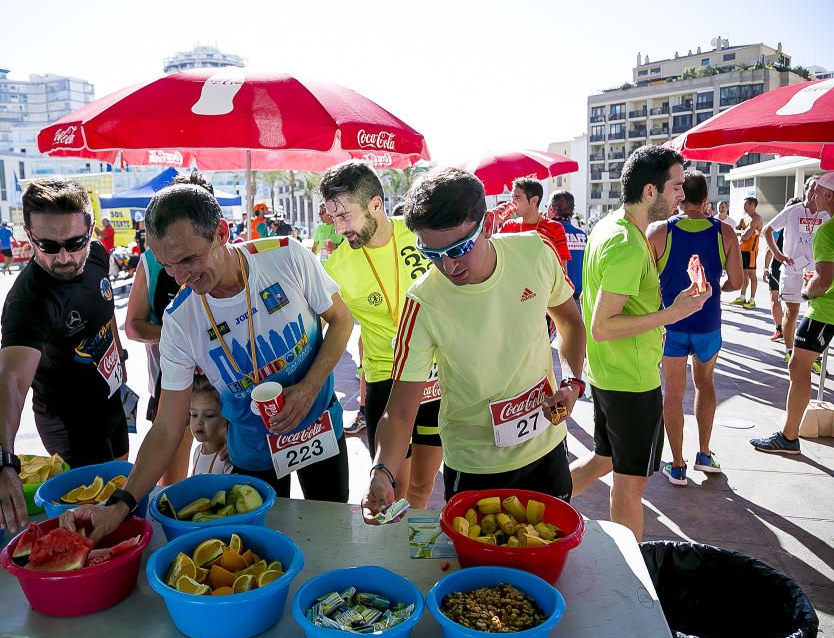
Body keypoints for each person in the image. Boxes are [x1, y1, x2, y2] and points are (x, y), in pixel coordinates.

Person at [61, 183, 355, 543]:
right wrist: (121, 503)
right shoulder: (180, 321)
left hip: (318, 424)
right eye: (167, 266)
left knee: (332, 532)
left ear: (221, 232)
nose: (181, 277)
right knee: (265, 543)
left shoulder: (285, 257)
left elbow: (342, 321)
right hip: (252, 445)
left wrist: (309, 389)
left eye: (188, 259)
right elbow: (167, 428)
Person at [360, 167, 586, 522]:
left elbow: (570, 321)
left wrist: (573, 382)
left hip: (546, 448)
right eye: (432, 255)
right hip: (475, 464)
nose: (449, 266)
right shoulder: (422, 301)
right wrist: (381, 473)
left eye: (460, 248)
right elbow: (401, 410)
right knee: (482, 575)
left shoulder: (536, 252)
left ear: (488, 225)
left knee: (551, 565)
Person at [569, 145, 710, 540]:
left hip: (610, 374)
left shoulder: (611, 226)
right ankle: (630, 574)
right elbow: (601, 325)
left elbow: (598, 308)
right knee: (630, 485)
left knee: (602, 460)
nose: (683, 194)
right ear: (651, 192)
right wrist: (673, 312)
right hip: (630, 382)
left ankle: (537, 503)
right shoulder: (628, 243)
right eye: (677, 187)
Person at [0, 178, 130, 532]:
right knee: (95, 524)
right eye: (48, 245)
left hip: (112, 403)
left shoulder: (96, 256)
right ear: (29, 237)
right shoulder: (29, 301)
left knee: (122, 493)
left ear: (90, 230)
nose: (63, 257)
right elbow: (10, 380)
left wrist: (118, 352)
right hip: (71, 424)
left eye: (74, 242)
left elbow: (103, 307)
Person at [320, 160, 442, 509]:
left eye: (344, 215)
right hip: (385, 378)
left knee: (422, 485)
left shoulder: (422, 235)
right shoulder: (336, 267)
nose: (338, 226)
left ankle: (411, 561)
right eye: (332, 216)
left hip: (436, 376)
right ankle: (391, 558)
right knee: (391, 491)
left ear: (376, 204)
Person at [646, 171, 743, 486]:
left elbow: (644, 283)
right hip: (707, 323)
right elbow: (738, 283)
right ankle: (704, 453)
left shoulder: (659, 232)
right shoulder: (725, 232)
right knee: (705, 385)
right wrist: (713, 287)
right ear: (705, 200)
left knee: (673, 394)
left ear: (678, 197)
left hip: (670, 324)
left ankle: (677, 464)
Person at [751, 172, 834, 456]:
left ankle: (788, 437)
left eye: (818, 191)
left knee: (797, 367)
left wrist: (808, 291)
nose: (814, 195)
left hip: (826, 311)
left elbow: (824, 280)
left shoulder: (829, 229)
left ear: (831, 196)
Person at [124, 171, 207, 486]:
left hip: (226, 386)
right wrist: (183, 344)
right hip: (175, 385)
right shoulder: (153, 261)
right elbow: (133, 326)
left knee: (233, 473)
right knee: (172, 482)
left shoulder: (224, 253)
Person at [763, 179, 829, 367]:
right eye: (810, 189)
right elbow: (768, 230)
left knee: (817, 314)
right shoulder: (793, 210)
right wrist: (778, 255)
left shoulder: (827, 214)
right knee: (792, 312)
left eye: (818, 190)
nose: (813, 193)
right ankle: (789, 350)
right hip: (792, 271)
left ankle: (812, 354)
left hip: (816, 272)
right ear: (805, 190)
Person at [499, 178, 572, 267]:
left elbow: (562, 269)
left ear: (534, 200)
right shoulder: (508, 226)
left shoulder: (555, 228)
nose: (512, 203)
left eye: (517, 198)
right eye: (512, 198)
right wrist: (493, 222)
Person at [189, 374, 232, 476]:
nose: (199, 422)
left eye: (209, 415)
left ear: (227, 419)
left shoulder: (227, 457)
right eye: (194, 414)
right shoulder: (198, 451)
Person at [549, 190, 587, 301]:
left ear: (551, 208)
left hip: (556, 297)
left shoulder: (548, 233)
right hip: (579, 296)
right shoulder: (582, 235)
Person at [731, 197, 762, 308]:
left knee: (751, 274)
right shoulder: (744, 218)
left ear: (753, 204)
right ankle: (742, 297)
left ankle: (752, 300)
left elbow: (746, 235)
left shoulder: (756, 219)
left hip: (751, 251)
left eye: (746, 205)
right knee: (744, 274)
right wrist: (741, 232)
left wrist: (740, 233)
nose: (744, 207)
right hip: (742, 249)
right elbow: (734, 231)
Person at [764, 219, 788, 342]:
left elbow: (770, 249)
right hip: (799, 265)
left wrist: (765, 268)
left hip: (778, 266)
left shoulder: (778, 228)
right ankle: (789, 330)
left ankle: (779, 329)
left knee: (775, 298)